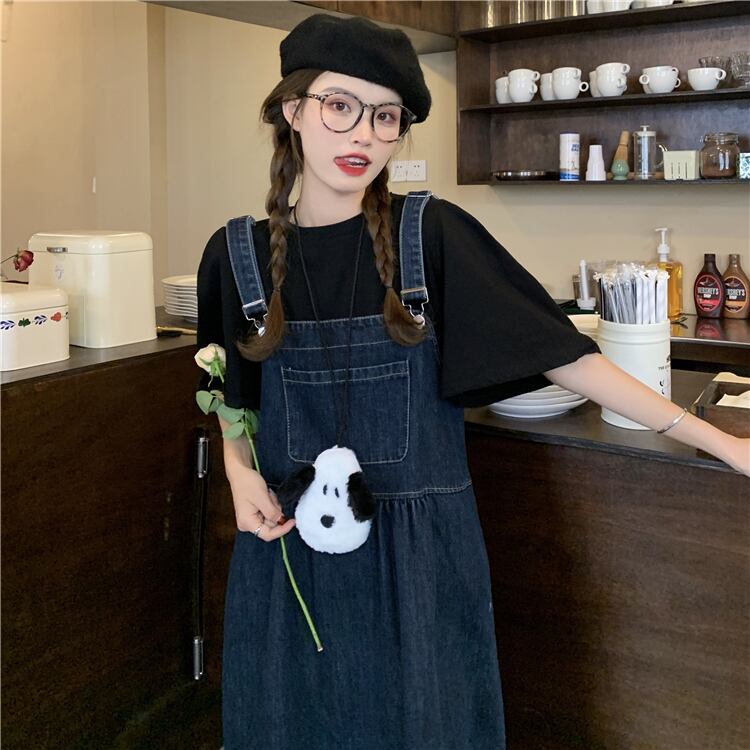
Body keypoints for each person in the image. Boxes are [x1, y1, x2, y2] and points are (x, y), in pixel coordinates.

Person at [196, 13, 749, 749]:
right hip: (292, 551)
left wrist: (717, 440)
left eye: (385, 116)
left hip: (421, 561)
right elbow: (230, 394)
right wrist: (238, 471)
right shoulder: (233, 256)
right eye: (340, 106)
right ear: (293, 110)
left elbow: (564, 355)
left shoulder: (432, 235)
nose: (364, 134)